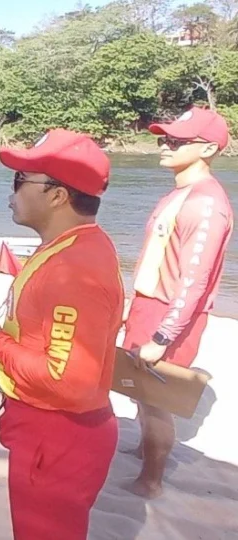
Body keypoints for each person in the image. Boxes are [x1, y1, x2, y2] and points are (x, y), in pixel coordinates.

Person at [0, 129, 123, 540]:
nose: (11, 193)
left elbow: (68, 381)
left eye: (21, 180)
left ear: (58, 195)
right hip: (46, 429)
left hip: (58, 434)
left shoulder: (75, 269)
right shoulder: (69, 246)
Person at [122, 108, 234, 499]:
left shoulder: (207, 204)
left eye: (178, 141)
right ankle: (143, 450)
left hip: (170, 313)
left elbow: (194, 280)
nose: (166, 146)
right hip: (149, 303)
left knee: (156, 400)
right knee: (140, 389)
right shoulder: (179, 193)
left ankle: (151, 480)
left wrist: (163, 335)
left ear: (208, 148)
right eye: (165, 138)